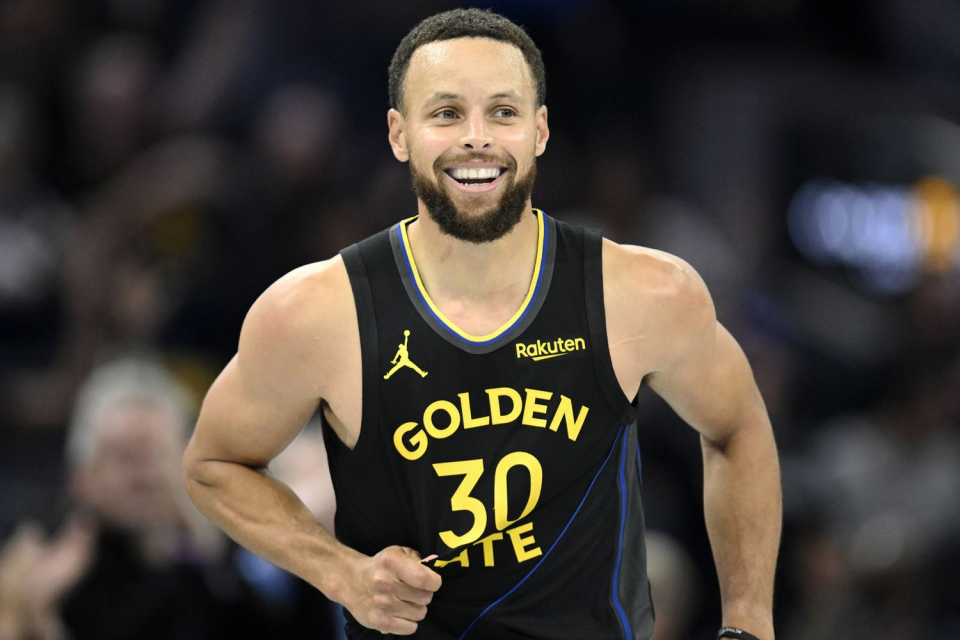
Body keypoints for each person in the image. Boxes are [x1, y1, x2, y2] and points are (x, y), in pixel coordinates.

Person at [182, 8, 781, 640]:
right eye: (446, 113)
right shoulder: (316, 311)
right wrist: (341, 573)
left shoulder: (642, 293)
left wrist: (748, 622)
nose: (477, 138)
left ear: (539, 130)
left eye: (502, 112)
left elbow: (737, 427)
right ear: (399, 134)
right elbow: (213, 465)